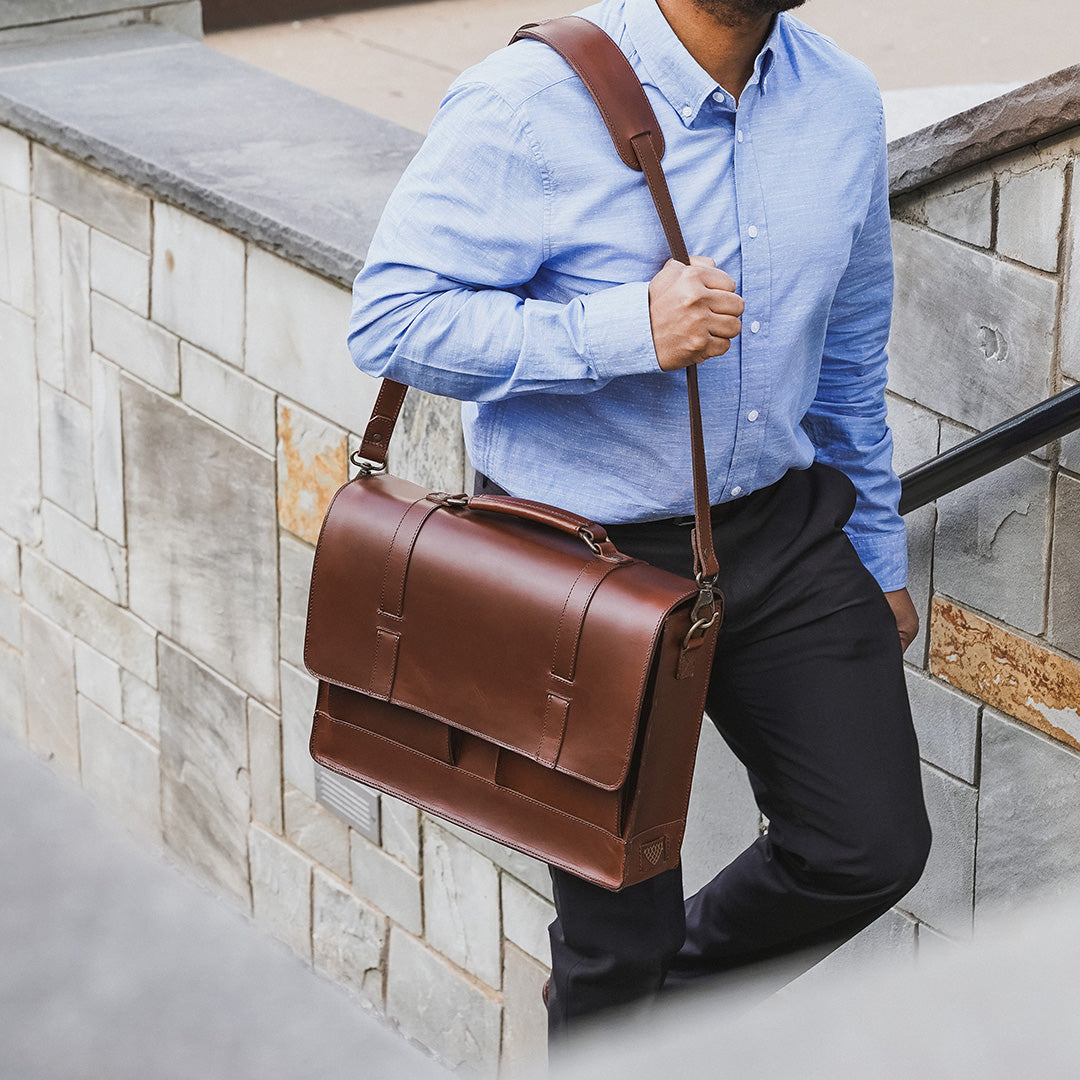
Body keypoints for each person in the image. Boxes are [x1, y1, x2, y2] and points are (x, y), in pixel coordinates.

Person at [348, 0, 932, 1041]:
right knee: (615, 947)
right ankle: (630, 1029)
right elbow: (392, 318)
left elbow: (848, 358)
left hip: (783, 535)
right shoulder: (528, 101)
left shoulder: (841, 99)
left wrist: (879, 554)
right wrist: (621, 330)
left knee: (867, 846)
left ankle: (658, 1034)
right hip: (588, 565)